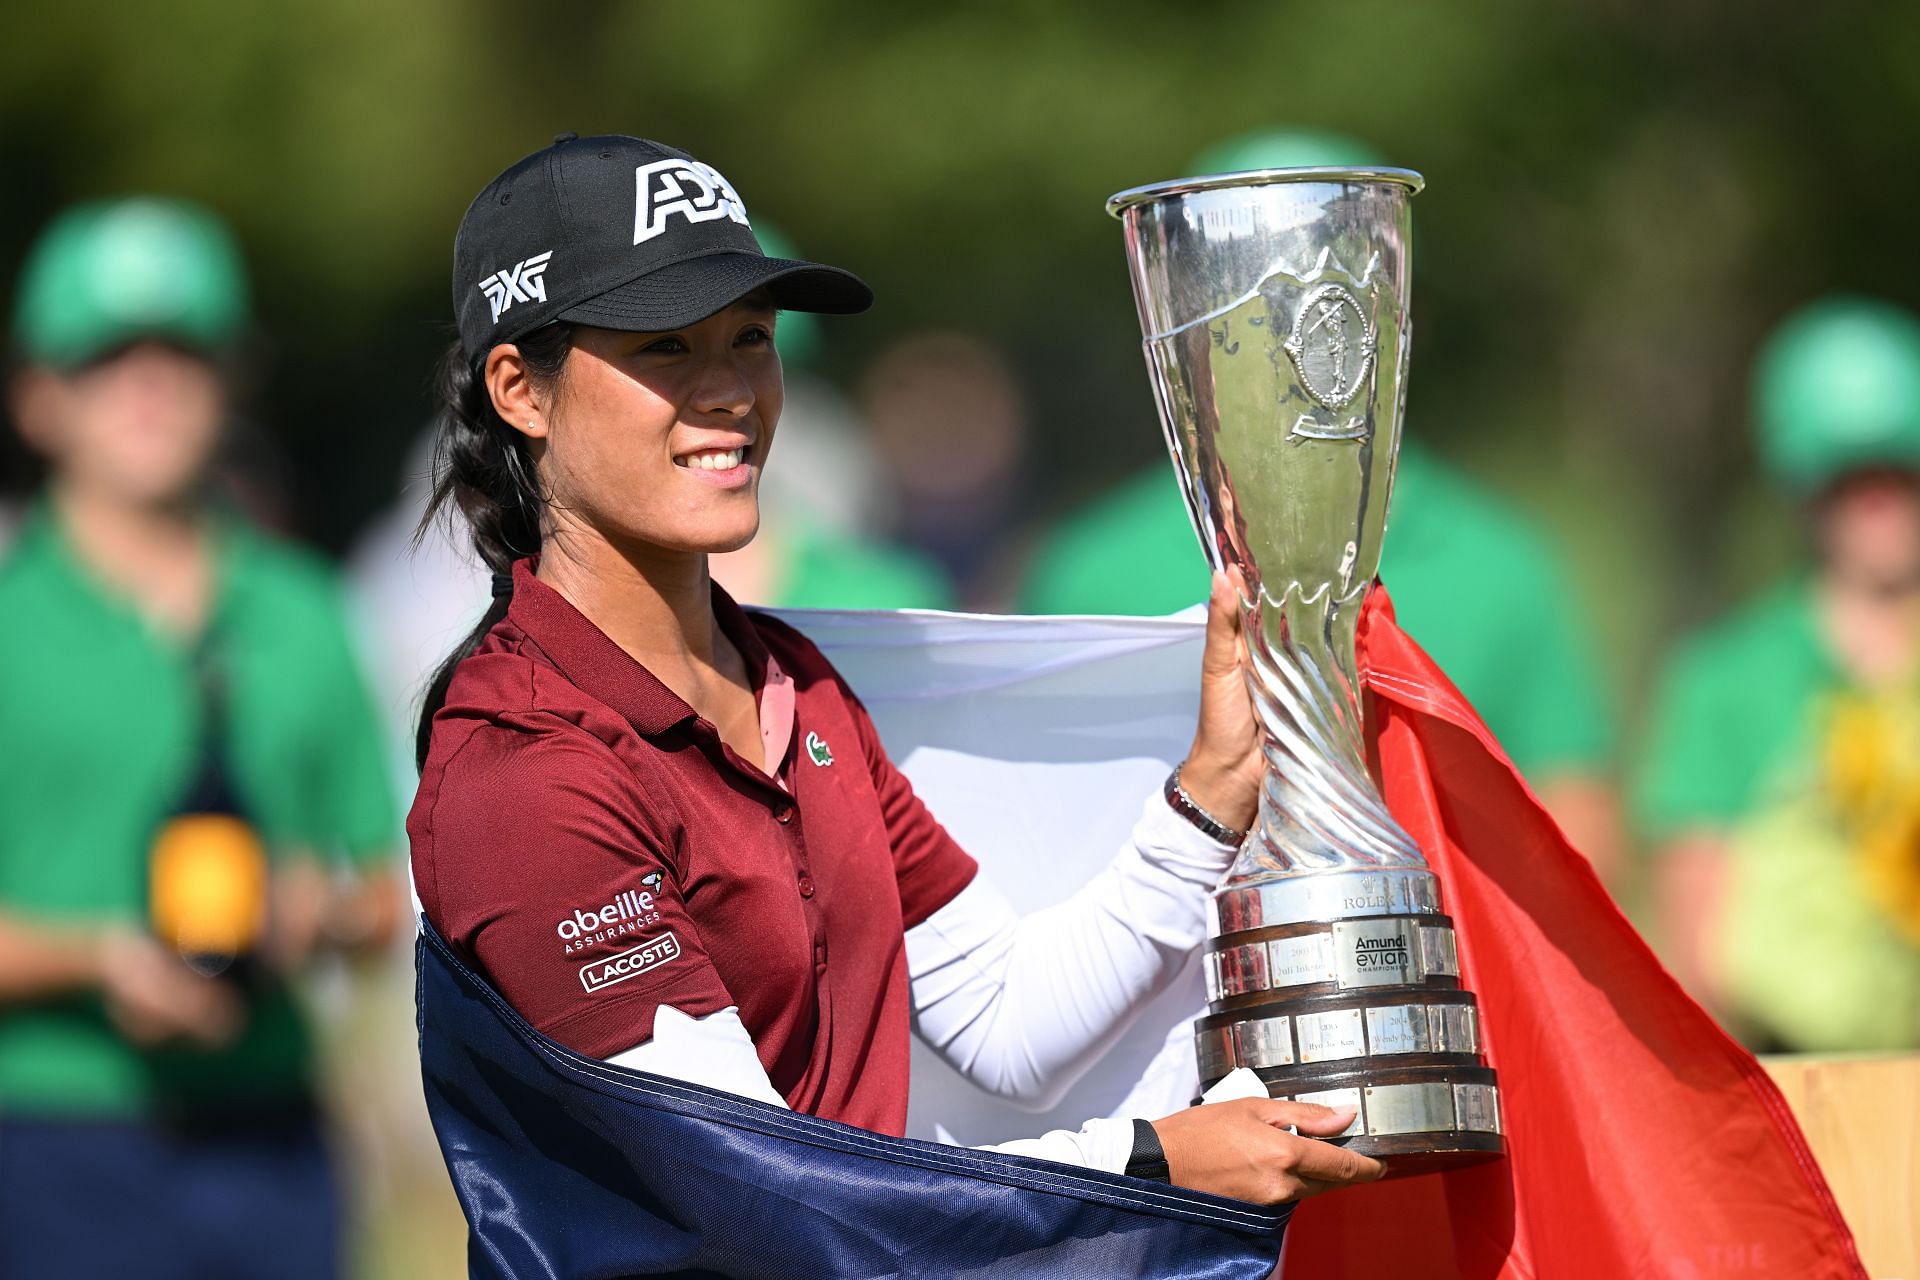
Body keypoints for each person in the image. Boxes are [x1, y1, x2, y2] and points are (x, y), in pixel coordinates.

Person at [410, 133, 1382, 1207]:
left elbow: (1006, 1019)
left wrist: (1209, 795)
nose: (732, 389)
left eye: (750, 338)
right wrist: (1152, 1158)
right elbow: (756, 1194)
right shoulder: (523, 773)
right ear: (521, 389)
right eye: (666, 349)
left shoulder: (795, 684)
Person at [1021, 127, 1623, 882]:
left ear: (1398, 321)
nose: (1294, 353)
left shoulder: (1499, 562)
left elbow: (1576, 833)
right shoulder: (1094, 570)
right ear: (1186, 339)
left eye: (1329, 312)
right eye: (1254, 320)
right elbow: (1052, 831)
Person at [0, 197, 404, 1278]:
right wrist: (96, 956)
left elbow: (384, 890)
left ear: (233, 379)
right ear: (39, 398)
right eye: (106, 357)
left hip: (273, 1138)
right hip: (46, 1134)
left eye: (181, 352)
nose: (148, 386)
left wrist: (310, 908)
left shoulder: (305, 611)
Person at [1637, 295, 1920, 1053]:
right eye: (1852, 483)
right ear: (1803, 489)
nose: (1881, 506)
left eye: (1900, 476)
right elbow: (1698, 959)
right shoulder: (1722, 681)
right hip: (1806, 1087)